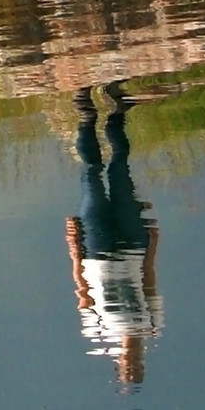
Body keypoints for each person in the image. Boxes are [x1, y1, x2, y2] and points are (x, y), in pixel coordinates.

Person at [65, 84, 162, 388]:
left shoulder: (98, 335)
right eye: (137, 369)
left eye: (127, 369)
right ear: (142, 363)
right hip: (133, 244)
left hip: (97, 249)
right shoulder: (152, 326)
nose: (131, 364)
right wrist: (153, 241)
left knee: (91, 175)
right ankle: (117, 112)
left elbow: (82, 290)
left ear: (119, 365)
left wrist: (73, 246)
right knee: (120, 169)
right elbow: (148, 280)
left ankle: (85, 114)